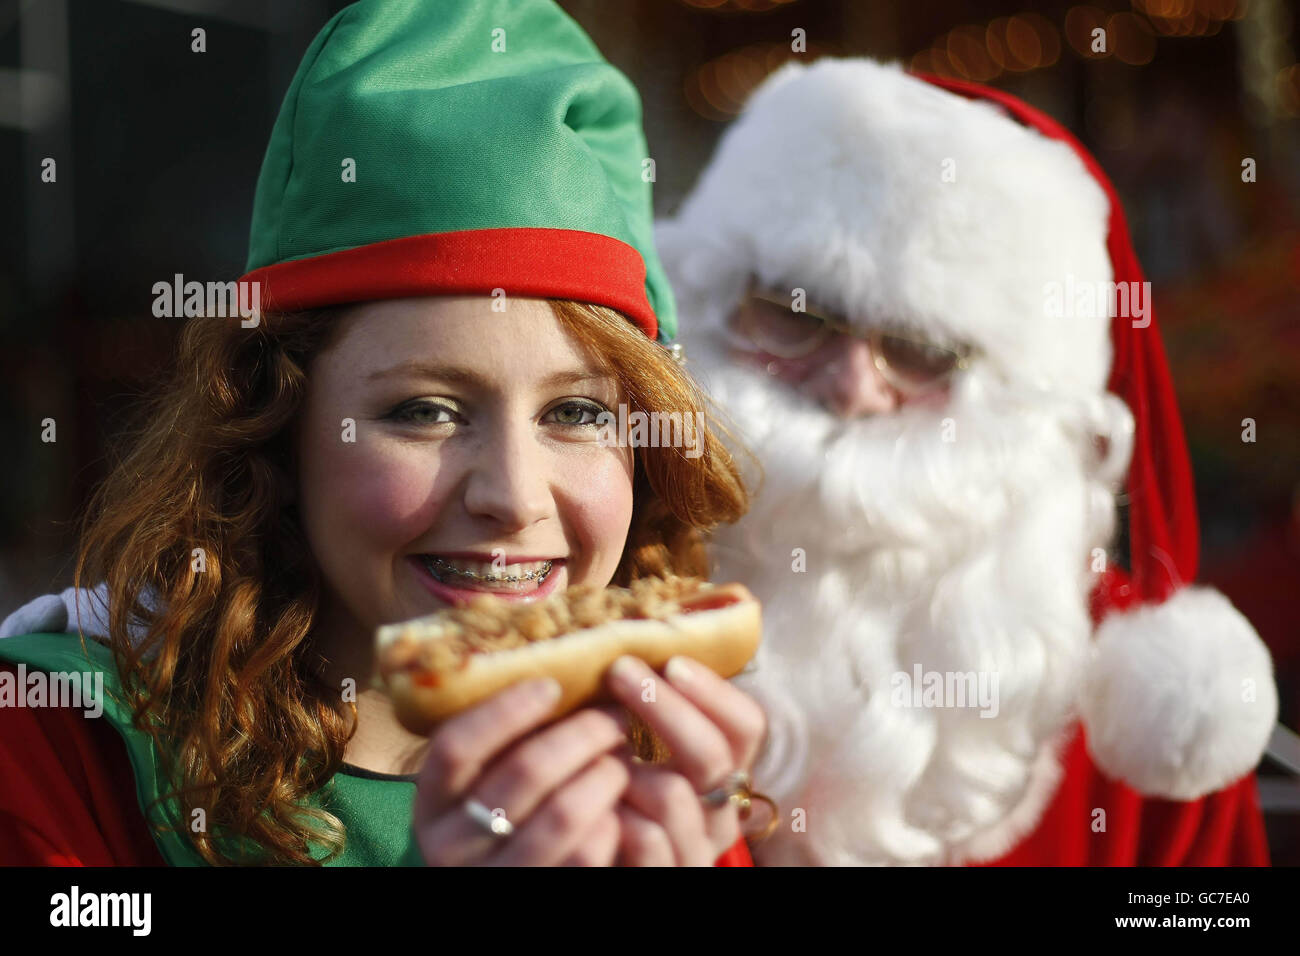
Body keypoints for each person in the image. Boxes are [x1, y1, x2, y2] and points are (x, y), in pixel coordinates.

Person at [0, 0, 768, 867]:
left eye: (577, 413)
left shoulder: (670, 787)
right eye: (425, 411)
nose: (512, 497)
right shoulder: (51, 745)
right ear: (273, 431)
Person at [655, 57, 1278, 866]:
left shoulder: (1133, 697)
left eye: (921, 351)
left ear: (1021, 395)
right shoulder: (609, 612)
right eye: (792, 317)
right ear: (709, 308)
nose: (852, 390)